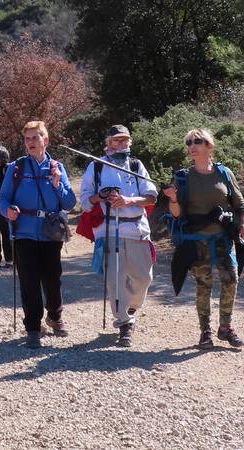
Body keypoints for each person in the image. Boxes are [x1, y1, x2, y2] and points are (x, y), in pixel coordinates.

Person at [163, 128, 244, 349]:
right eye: (188, 143)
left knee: (231, 280)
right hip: (196, 241)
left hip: (222, 239)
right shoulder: (183, 177)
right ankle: (205, 332)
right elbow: (176, 214)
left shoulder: (224, 174)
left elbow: (240, 204)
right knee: (203, 285)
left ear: (209, 146)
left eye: (197, 141)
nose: (192, 146)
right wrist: (173, 199)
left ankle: (226, 328)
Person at [0, 120, 76, 348]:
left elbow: (69, 202)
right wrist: (7, 211)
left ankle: (55, 316)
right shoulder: (17, 168)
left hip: (51, 232)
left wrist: (57, 184)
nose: (31, 142)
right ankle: (32, 327)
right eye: (27, 139)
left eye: (35, 137)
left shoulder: (56, 168)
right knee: (29, 280)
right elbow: (3, 199)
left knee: (53, 279)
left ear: (46, 140)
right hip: (24, 232)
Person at [79, 125, 158, 347]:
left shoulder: (136, 165)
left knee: (144, 278)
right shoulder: (95, 167)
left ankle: (131, 306)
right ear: (108, 142)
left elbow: (152, 196)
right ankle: (124, 323)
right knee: (115, 281)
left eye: (125, 140)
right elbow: (85, 201)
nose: (122, 144)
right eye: (117, 140)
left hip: (137, 229)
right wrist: (100, 196)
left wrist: (129, 201)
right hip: (109, 229)